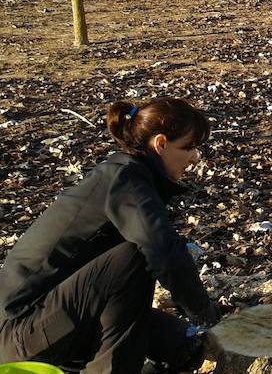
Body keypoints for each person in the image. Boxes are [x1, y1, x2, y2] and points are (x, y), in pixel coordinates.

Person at [0, 97, 221, 373]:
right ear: (161, 144)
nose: (195, 157)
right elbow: (162, 253)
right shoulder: (125, 179)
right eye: (188, 147)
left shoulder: (129, 174)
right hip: (20, 332)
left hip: (50, 317)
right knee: (136, 255)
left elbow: (109, 289)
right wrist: (204, 313)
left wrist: (191, 330)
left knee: (182, 345)